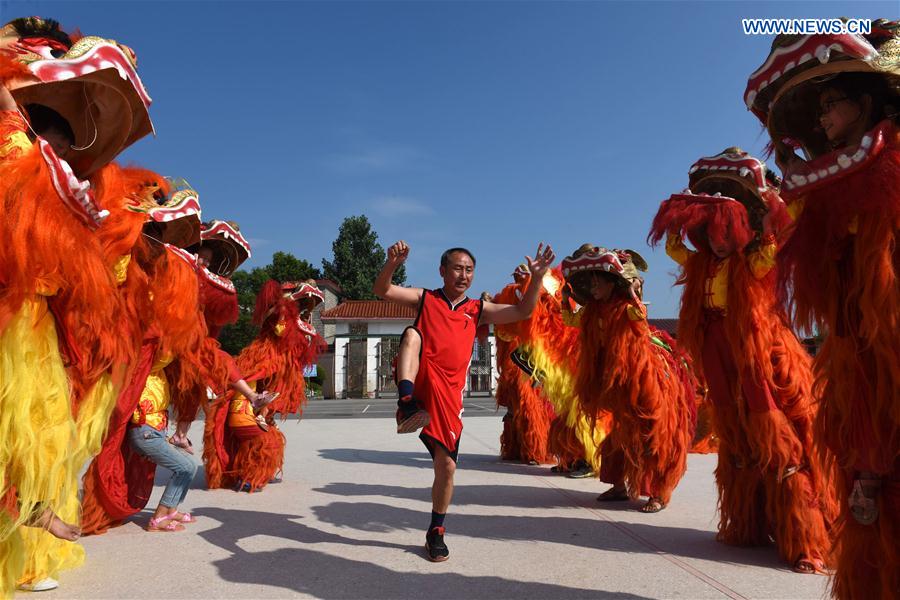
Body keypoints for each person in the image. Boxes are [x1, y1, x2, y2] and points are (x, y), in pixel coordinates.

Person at [745, 20, 900, 597]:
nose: (823, 120)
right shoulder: (828, 190)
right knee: (869, 476)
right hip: (856, 350)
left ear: (865, 103)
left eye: (831, 105)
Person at [650, 147, 835, 574]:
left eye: (724, 229)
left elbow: (779, 238)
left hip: (755, 346)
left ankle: (806, 539)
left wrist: (771, 202)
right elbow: (674, 247)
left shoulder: (754, 259)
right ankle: (748, 524)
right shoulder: (700, 264)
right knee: (734, 432)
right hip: (717, 345)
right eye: (710, 229)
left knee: (774, 429)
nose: (717, 237)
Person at [373, 241, 555, 562]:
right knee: (413, 334)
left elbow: (523, 311)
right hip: (421, 381)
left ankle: (436, 530)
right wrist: (392, 263)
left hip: (448, 396)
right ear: (442, 271)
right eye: (457, 268)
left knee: (447, 466)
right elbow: (383, 289)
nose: (463, 274)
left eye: (469, 270)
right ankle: (406, 402)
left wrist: (537, 278)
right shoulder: (425, 298)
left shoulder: (477, 309)